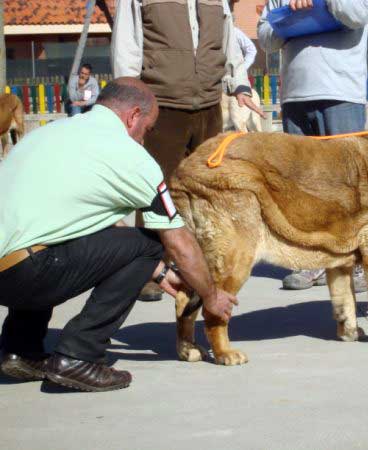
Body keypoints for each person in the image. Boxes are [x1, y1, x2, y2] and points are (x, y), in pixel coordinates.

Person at [0, 78, 237, 392]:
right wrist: (211, 296)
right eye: (148, 129)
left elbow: (83, 223)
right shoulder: (132, 158)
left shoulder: (49, 133)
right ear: (133, 116)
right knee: (151, 243)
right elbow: (178, 242)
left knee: (44, 236)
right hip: (25, 274)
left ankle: (20, 351)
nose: (144, 139)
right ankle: (79, 355)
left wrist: (159, 272)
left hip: (11, 270)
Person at [112, 0, 263, 301]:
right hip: (161, 104)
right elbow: (126, 46)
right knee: (156, 191)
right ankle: (150, 269)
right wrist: (128, 98)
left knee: (209, 190)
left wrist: (239, 84)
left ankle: (205, 264)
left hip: (208, 105)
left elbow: (227, 39)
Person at [258, 0, 368, 292]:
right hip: (296, 94)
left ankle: (355, 262)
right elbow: (266, 38)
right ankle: (311, 262)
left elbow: (360, 14)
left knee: (348, 184)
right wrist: (290, 17)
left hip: (340, 91)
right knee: (301, 187)